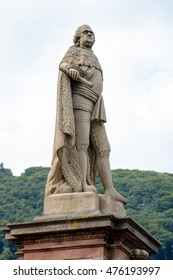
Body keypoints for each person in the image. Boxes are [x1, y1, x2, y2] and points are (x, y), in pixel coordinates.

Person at [45, 24, 127, 205]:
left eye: (92, 33)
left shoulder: (94, 56)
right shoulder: (73, 51)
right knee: (81, 143)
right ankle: (81, 184)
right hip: (80, 99)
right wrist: (70, 69)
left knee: (103, 148)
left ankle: (109, 189)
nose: (89, 35)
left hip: (96, 102)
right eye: (86, 33)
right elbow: (63, 64)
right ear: (78, 37)